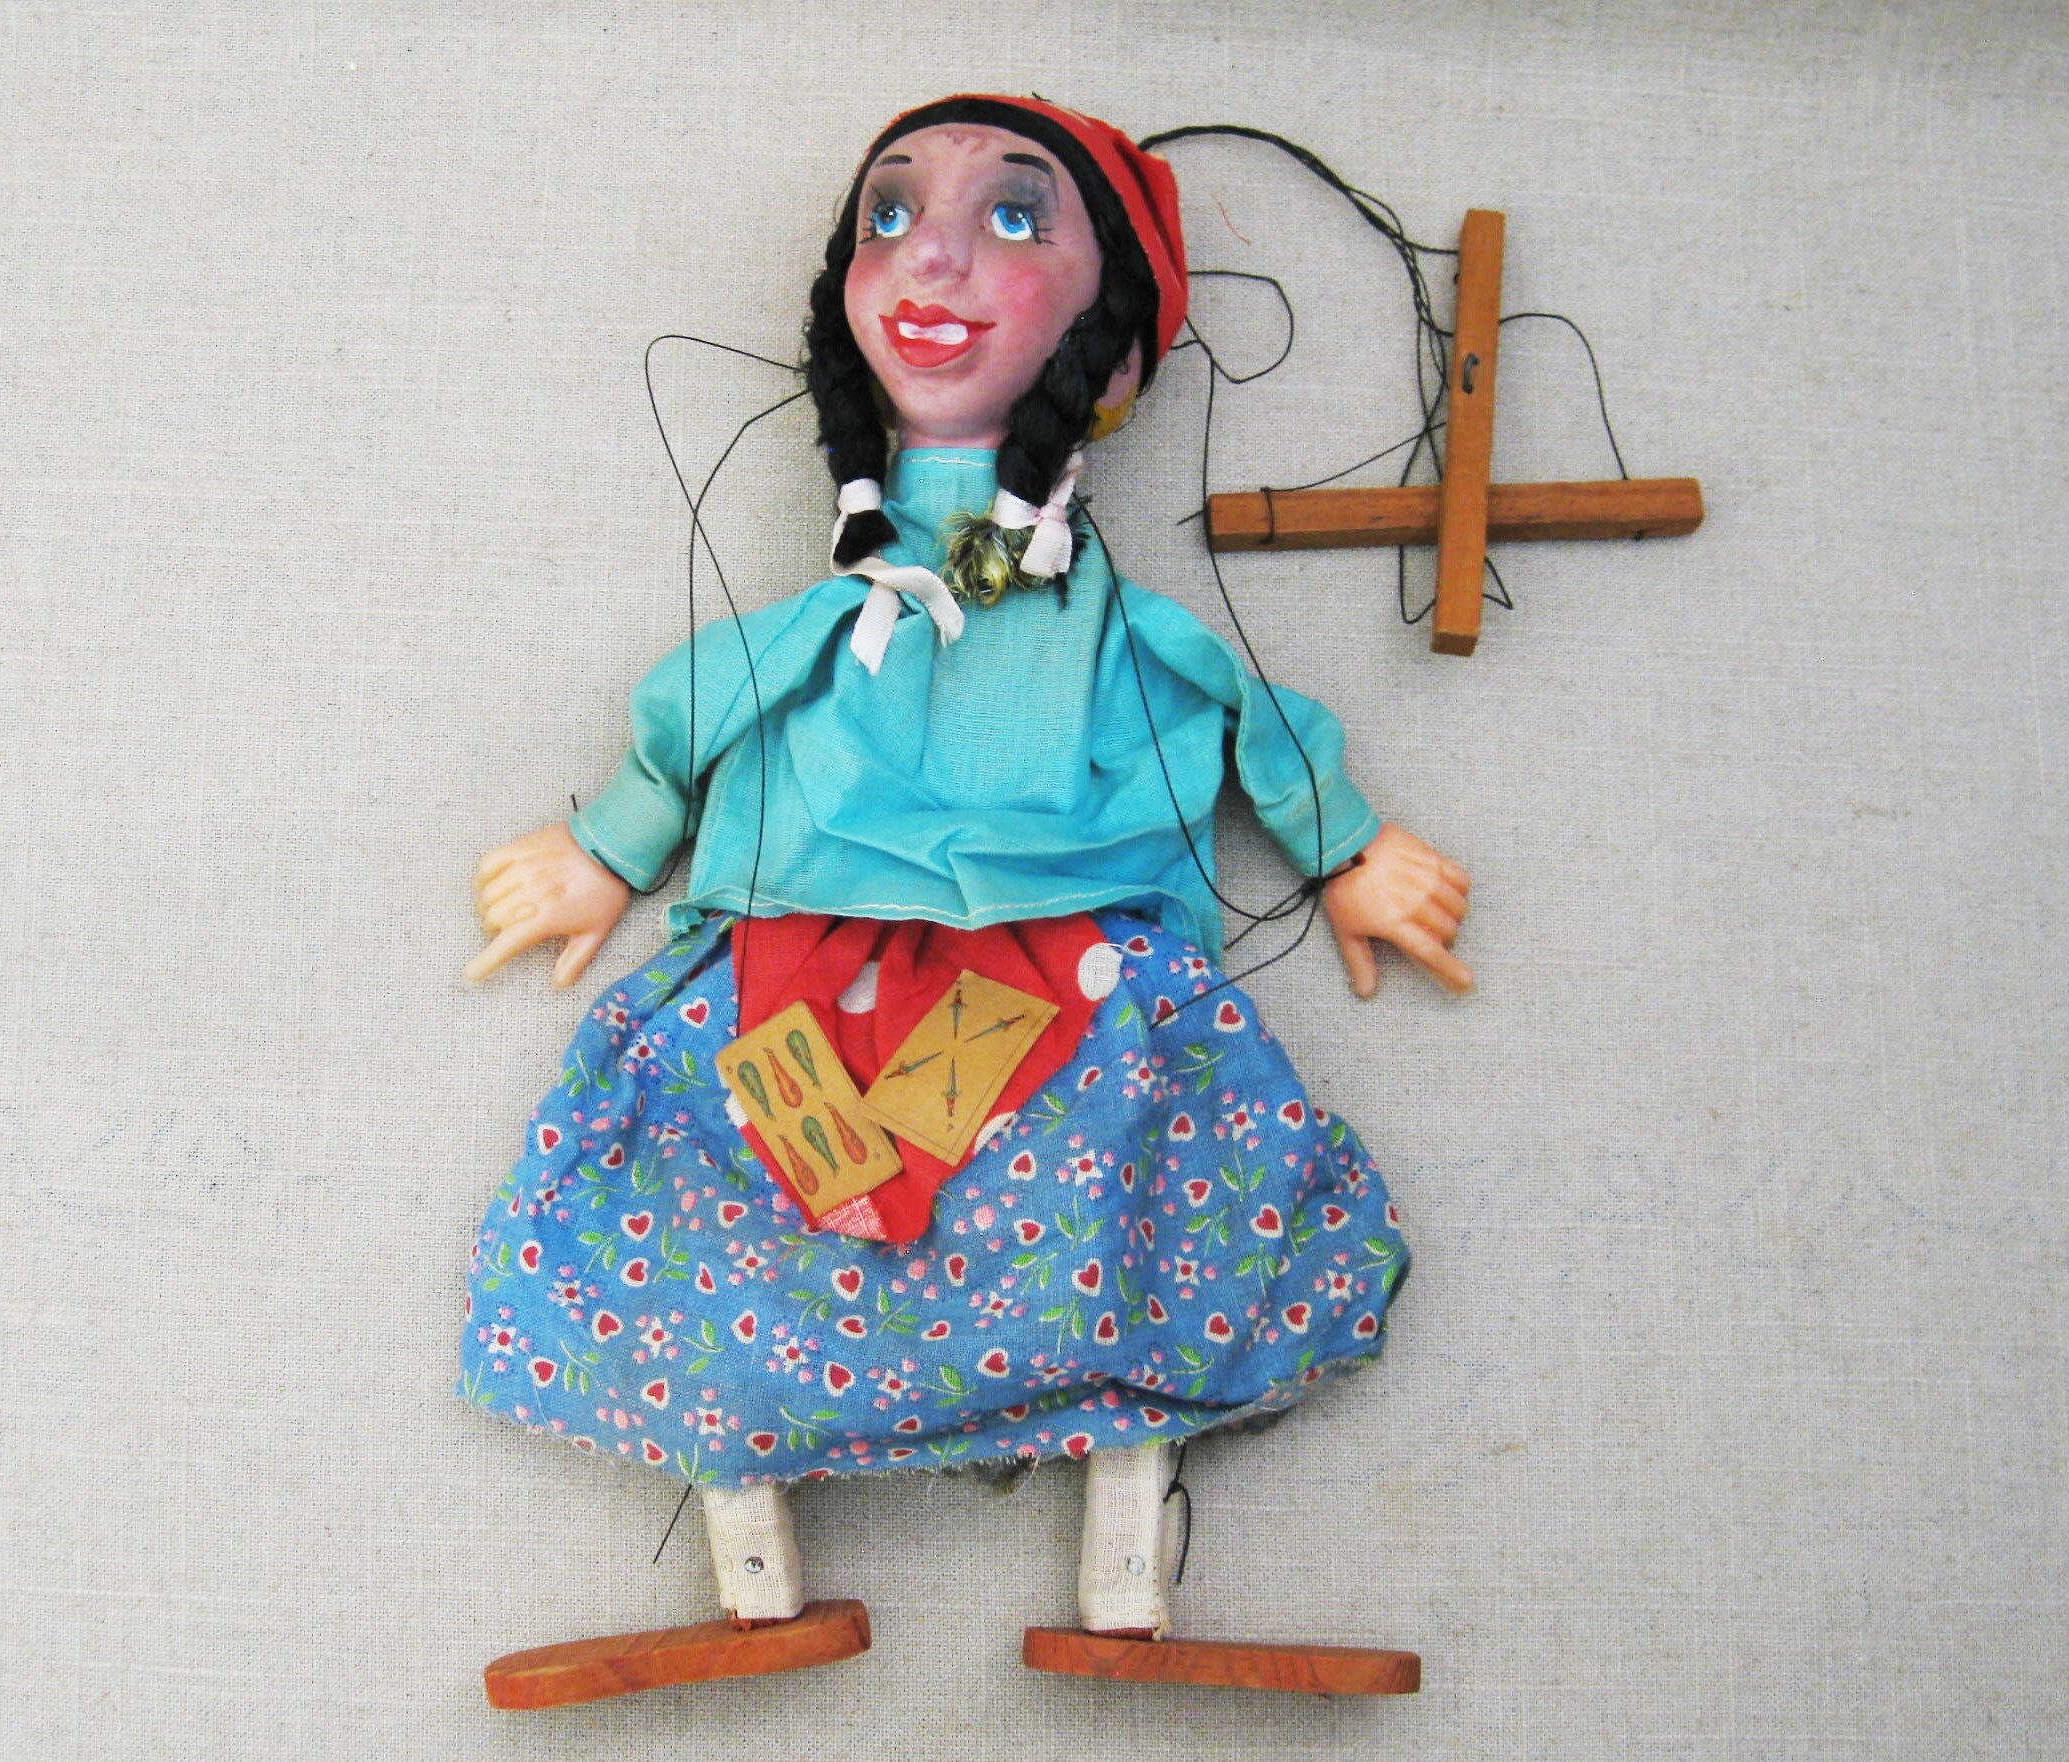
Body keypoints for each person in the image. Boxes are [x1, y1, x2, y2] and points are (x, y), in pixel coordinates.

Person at [460, 95, 1471, 1702]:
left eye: (1012, 218)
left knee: (1116, 1223)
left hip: (1052, 980)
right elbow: (715, 695)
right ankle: (753, 1581)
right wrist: (613, 839)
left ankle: (1124, 1587)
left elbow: (1227, 702)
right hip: (796, 972)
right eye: (889, 216)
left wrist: (1341, 845)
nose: (928, 257)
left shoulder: (1103, 622)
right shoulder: (836, 608)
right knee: (734, 1228)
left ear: (1112, 353)